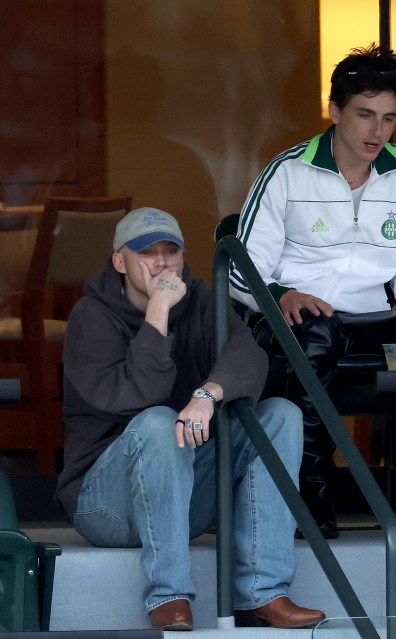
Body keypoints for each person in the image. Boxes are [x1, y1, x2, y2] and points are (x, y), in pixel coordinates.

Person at [54, 207, 326, 631]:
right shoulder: (91, 316)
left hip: (179, 500)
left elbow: (250, 357)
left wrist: (208, 393)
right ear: (119, 262)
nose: (162, 263)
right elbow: (137, 396)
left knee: (281, 415)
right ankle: (169, 595)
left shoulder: (201, 299)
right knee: (158, 421)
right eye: (148, 253)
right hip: (105, 505)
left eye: (171, 252)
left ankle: (264, 591)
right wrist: (158, 312)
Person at [229, 44, 396, 538]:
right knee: (312, 338)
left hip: (375, 317)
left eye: (389, 118)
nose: (377, 131)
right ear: (335, 112)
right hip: (307, 318)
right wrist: (281, 293)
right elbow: (242, 268)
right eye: (365, 115)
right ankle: (313, 501)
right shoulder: (288, 171)